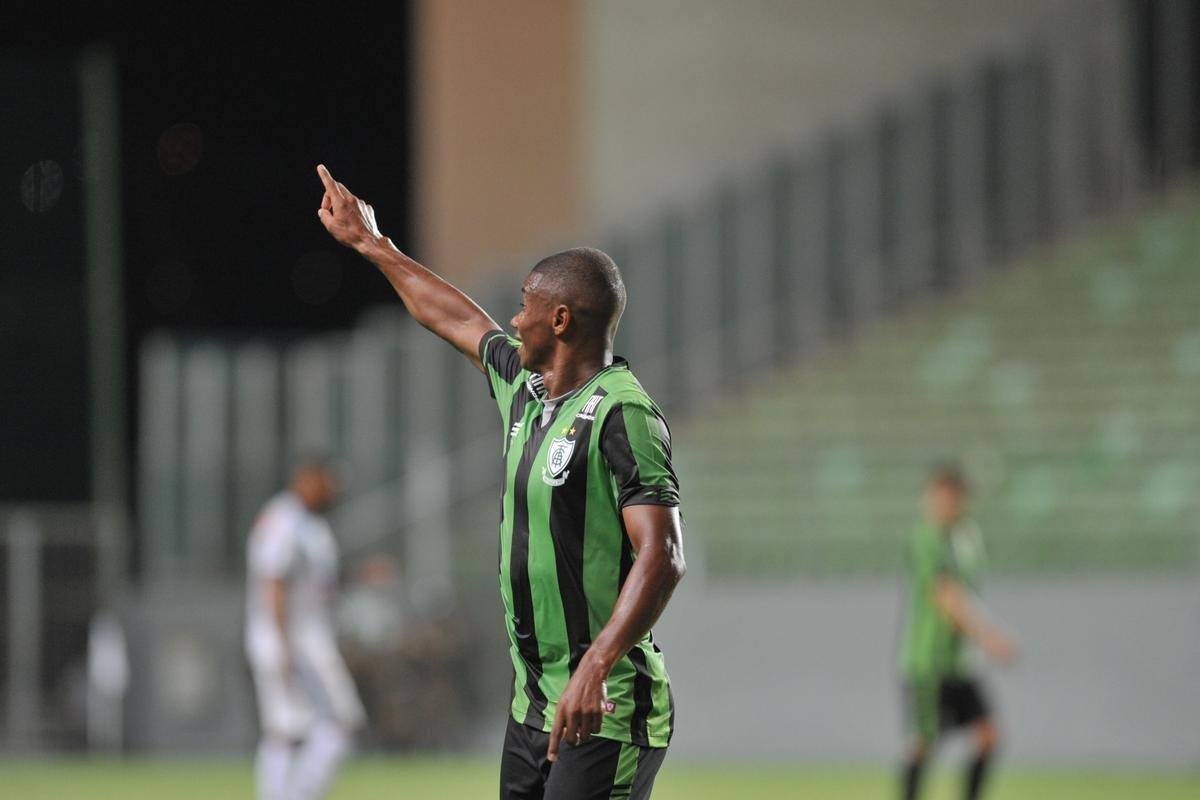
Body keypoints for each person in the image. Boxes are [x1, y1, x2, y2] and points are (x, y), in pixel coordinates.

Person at [316, 164, 686, 799]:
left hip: (606, 709)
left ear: (562, 319)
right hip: (534, 708)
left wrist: (596, 666)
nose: (515, 321)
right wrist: (374, 246)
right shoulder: (526, 388)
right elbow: (454, 317)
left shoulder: (622, 413)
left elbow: (665, 553)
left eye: (527, 307)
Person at [245, 459, 366, 800]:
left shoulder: (312, 525)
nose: (333, 493)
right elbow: (274, 582)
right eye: (327, 484)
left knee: (332, 723)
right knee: (287, 728)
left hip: (309, 637)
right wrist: (281, 644)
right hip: (287, 637)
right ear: (307, 480)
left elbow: (319, 584)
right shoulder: (283, 519)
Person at [898, 465, 1017, 800]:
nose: (946, 504)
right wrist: (988, 635)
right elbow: (945, 594)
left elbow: (965, 591)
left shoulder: (964, 538)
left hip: (959, 662)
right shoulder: (926, 537)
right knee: (923, 742)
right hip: (927, 661)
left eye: (953, 498)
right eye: (940, 497)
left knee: (988, 735)